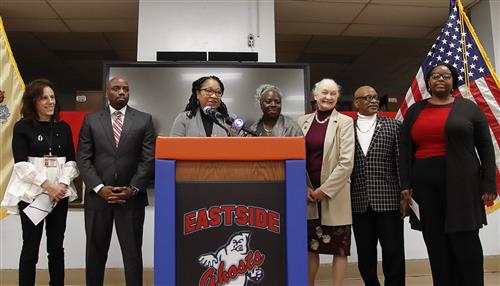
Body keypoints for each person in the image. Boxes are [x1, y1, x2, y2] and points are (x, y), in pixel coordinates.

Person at [399, 63, 497, 286]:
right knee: (436, 241)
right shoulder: (415, 111)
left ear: (453, 81)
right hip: (424, 186)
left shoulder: (469, 108)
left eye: (446, 76)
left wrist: (489, 184)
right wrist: (405, 183)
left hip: (463, 184)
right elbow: (405, 150)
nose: (440, 79)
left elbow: (486, 148)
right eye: (435, 76)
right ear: (429, 82)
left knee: (465, 239)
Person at [77, 76, 155, 286]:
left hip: (131, 199)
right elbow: (83, 159)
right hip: (98, 199)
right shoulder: (91, 120)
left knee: (132, 254)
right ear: (107, 92)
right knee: (95, 253)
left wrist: (133, 189)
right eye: (116, 88)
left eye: (126, 89)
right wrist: (100, 188)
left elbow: (148, 159)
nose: (122, 92)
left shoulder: (144, 120)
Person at [1, 79, 79, 286]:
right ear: (33, 101)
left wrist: (61, 185)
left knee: (56, 247)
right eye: (44, 97)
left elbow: (71, 161)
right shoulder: (22, 127)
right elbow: (21, 165)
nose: (50, 101)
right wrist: (48, 186)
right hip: (31, 195)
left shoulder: (64, 127)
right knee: (30, 247)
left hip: (59, 196)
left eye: (52, 97)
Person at [298, 78, 355, 286]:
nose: (328, 97)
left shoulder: (345, 122)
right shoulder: (301, 121)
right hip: (308, 195)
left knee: (339, 249)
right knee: (310, 247)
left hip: (335, 195)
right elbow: (296, 159)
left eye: (333, 93)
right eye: (324, 93)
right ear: (315, 96)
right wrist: (303, 187)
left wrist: (324, 190)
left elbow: (347, 162)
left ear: (338, 97)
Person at [351, 85, 405, 286]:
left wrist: (403, 196)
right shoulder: (347, 128)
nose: (373, 101)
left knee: (393, 251)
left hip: (389, 201)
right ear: (356, 102)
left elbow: (401, 163)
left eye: (375, 97)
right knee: (365, 254)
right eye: (367, 98)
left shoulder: (393, 126)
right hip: (358, 201)